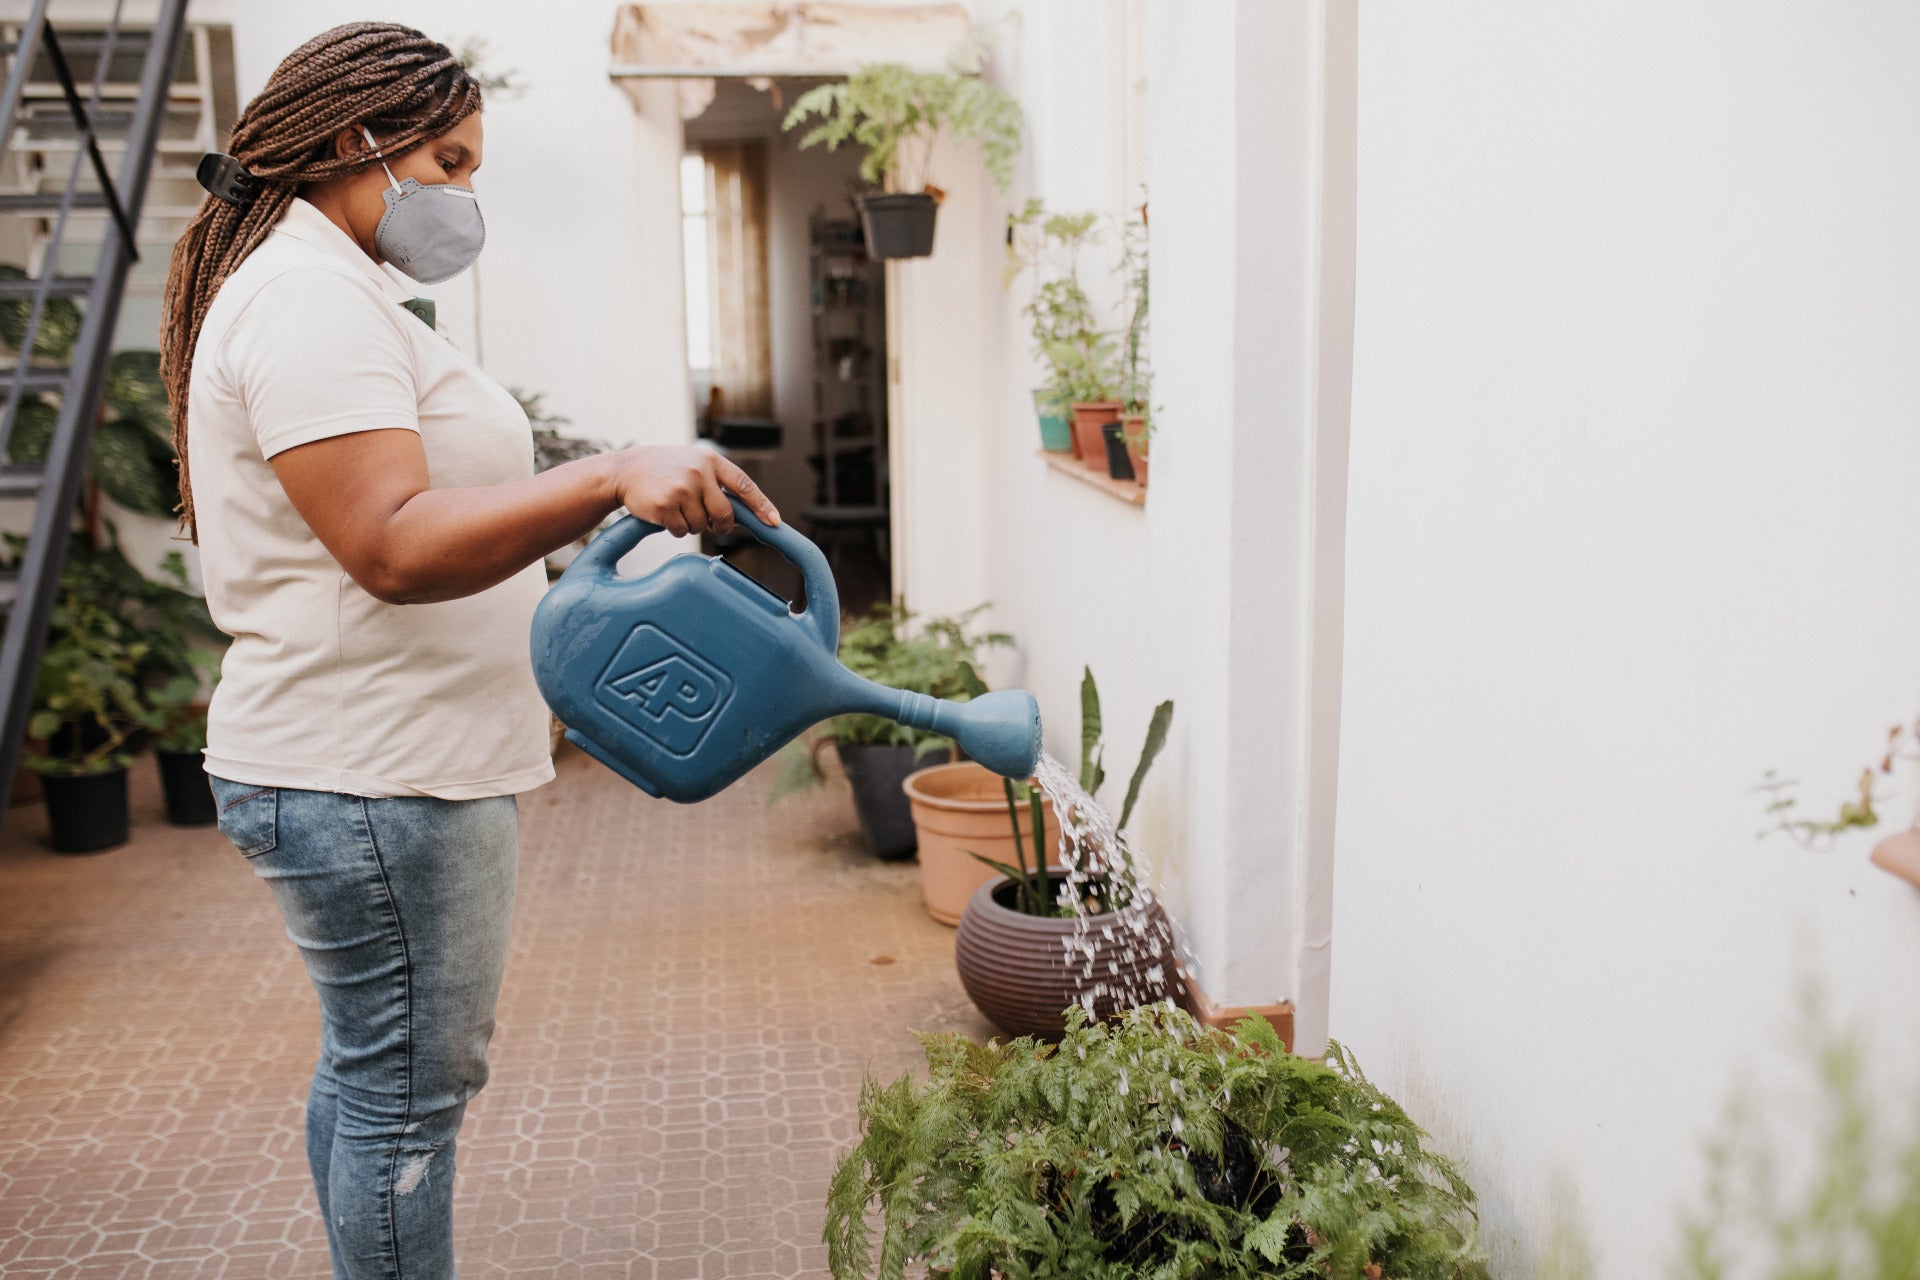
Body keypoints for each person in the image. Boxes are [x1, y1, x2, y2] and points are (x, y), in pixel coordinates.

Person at [158, 23, 778, 1279]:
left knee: (374, 1073)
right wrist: (608, 474)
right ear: (355, 140)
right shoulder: (305, 299)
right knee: (405, 1101)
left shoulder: (330, 285)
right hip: (372, 774)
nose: (462, 195)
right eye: (446, 160)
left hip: (373, 761)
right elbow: (390, 543)